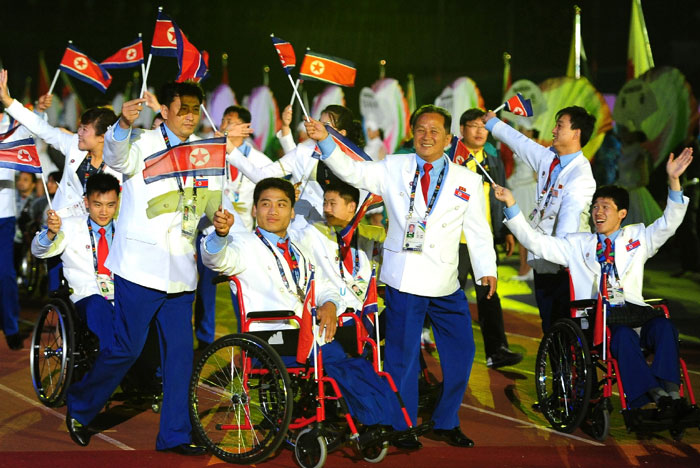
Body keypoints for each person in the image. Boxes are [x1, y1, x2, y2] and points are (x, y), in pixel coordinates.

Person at [305, 104, 498, 449]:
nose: (427, 136)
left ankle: (445, 420)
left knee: (463, 352)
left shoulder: (467, 180)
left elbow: (479, 231)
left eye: (435, 131)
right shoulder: (394, 166)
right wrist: (327, 142)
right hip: (404, 279)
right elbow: (354, 172)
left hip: (446, 282)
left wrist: (487, 270)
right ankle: (402, 424)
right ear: (412, 134)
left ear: (448, 138)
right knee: (401, 357)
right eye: (421, 130)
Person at [63, 81, 225, 455]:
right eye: (182, 108)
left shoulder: (203, 152)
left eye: (195, 109)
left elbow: (211, 198)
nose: (189, 115)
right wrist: (121, 124)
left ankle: (174, 435)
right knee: (126, 348)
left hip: (181, 271)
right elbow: (118, 157)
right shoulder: (143, 142)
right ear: (164, 110)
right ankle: (82, 405)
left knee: (181, 358)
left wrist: (221, 223)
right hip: (139, 269)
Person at [494, 147, 693, 413]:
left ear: (622, 214)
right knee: (621, 336)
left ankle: (673, 393)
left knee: (665, 328)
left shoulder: (637, 238)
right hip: (597, 319)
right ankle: (655, 394)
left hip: (634, 312)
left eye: (606, 208)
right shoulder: (577, 244)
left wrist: (674, 181)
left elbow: (670, 222)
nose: (598, 212)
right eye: (595, 207)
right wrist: (511, 205)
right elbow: (536, 243)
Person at [201, 177, 402, 427]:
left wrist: (329, 304)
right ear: (254, 210)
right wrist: (220, 235)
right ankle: (378, 422)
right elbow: (216, 259)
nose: (273, 211)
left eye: (282, 205)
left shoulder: (298, 246)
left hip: (307, 334)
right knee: (338, 362)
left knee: (355, 360)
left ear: (292, 212)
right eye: (266, 204)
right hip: (271, 337)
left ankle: (383, 422)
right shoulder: (243, 245)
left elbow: (323, 286)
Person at [482, 106, 596, 333]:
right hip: (543, 260)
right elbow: (521, 143)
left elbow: (566, 235)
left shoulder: (580, 178)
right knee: (549, 325)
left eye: (559, 126)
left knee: (567, 328)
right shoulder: (549, 158)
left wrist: (515, 212)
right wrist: (493, 123)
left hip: (566, 267)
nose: (553, 130)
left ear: (576, 133)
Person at [193, 105, 271, 348]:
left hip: (244, 239)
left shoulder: (260, 161)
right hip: (210, 232)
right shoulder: (208, 151)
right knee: (205, 291)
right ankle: (205, 341)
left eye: (232, 122)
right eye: (224, 120)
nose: (225, 125)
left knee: (244, 292)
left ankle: (248, 338)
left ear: (246, 129)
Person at [0, 69, 120, 217]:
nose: (78, 133)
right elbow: (40, 127)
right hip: (60, 226)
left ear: (102, 137)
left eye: (85, 130)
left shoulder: (120, 164)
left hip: (97, 233)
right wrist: (7, 101)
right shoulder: (73, 144)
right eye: (80, 127)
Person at [228, 104, 365, 228]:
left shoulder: (355, 161)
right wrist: (231, 151)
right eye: (319, 121)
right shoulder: (303, 151)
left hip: (340, 233)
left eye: (326, 124)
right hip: (302, 233)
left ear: (342, 133)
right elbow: (261, 176)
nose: (318, 126)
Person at [456, 108, 521, 369]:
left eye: (484, 126)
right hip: (455, 240)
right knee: (448, 293)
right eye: (474, 126)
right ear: (462, 130)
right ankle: (425, 332)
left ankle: (497, 350)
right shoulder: (452, 160)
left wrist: (504, 231)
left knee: (489, 295)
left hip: (482, 242)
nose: (481, 131)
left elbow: (500, 198)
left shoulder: (493, 162)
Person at [31, 173, 120, 351]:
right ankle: (113, 359)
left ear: (117, 203)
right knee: (97, 305)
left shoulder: (125, 228)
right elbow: (38, 250)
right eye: (98, 205)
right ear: (86, 202)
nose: (104, 212)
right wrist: (50, 234)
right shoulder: (69, 226)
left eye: (110, 205)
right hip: (85, 299)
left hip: (120, 297)